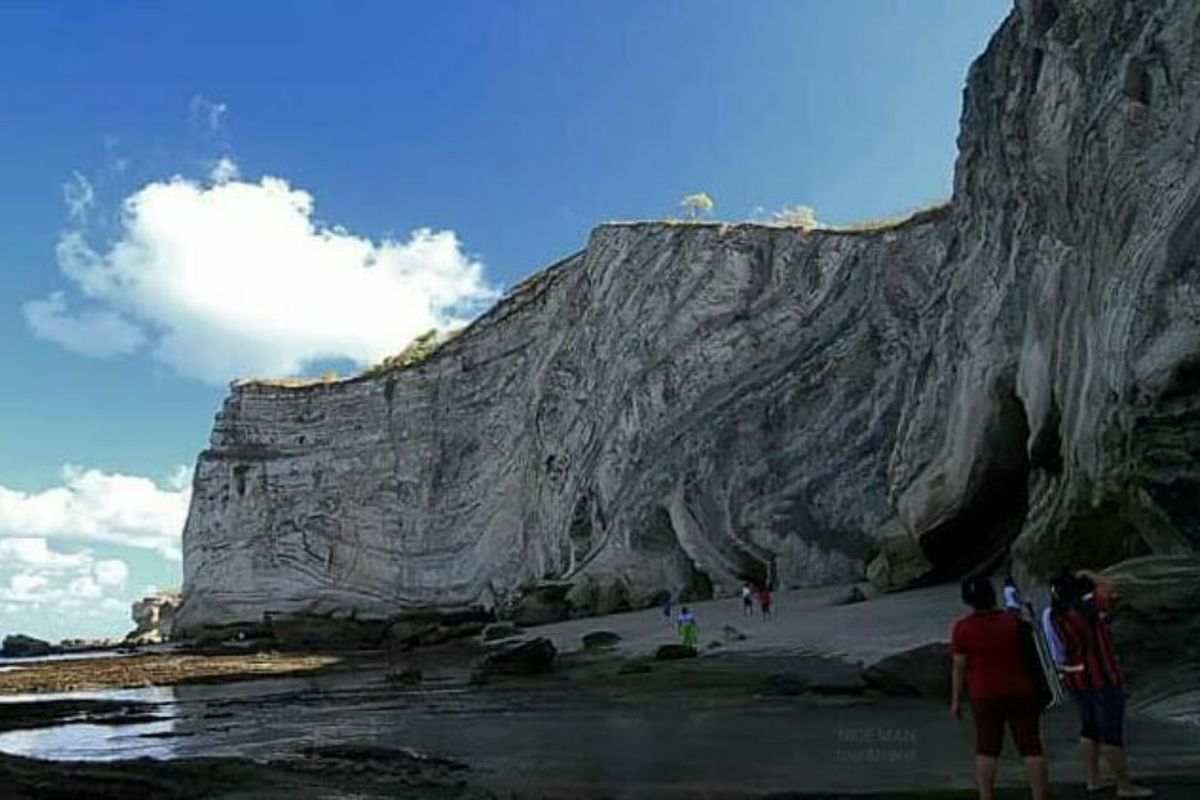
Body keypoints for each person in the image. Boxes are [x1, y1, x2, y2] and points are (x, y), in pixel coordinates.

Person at [1049, 571, 1153, 797]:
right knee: (1111, 732)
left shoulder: (1055, 614)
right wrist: (1088, 574)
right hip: (1102, 676)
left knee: (1090, 728)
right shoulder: (1088, 609)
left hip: (1077, 678)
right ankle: (1124, 784)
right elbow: (1113, 587)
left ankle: (1092, 779)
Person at [950, 576, 1049, 800]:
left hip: (984, 693)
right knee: (1031, 746)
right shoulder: (1013, 622)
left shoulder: (962, 628)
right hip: (1021, 689)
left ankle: (987, 796)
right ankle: (1039, 796)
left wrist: (956, 699)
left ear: (968, 601)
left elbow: (959, 667)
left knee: (987, 747)